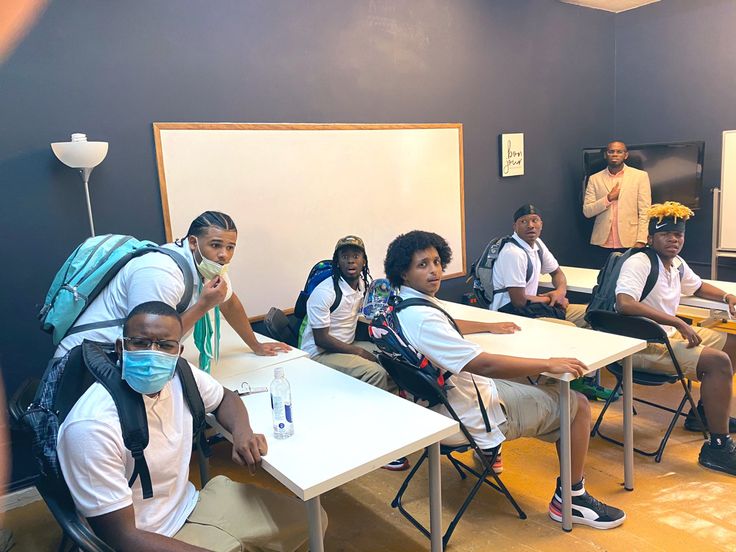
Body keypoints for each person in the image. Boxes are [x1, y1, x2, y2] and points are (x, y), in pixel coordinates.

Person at [384, 230, 626, 529]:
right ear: (404, 272)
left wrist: (489, 325)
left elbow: (447, 325)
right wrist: (548, 363)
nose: (434, 270)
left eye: (436, 261)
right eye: (422, 264)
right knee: (576, 403)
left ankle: (489, 456)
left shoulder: (402, 304)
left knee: (525, 383)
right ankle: (571, 499)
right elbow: (482, 363)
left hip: (433, 405)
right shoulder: (424, 318)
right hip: (469, 415)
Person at [57, 301, 321, 551]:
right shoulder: (91, 426)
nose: (153, 353)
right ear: (120, 347)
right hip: (144, 536)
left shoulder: (180, 375)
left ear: (178, 351)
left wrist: (242, 432)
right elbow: (123, 537)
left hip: (188, 505)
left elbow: (225, 398)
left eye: (165, 345)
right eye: (140, 343)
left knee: (313, 521)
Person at [54, 211, 289, 371]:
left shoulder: (208, 265)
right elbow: (153, 339)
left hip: (130, 356)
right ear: (193, 243)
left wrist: (255, 345)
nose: (224, 255)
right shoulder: (160, 272)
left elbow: (229, 303)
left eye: (230, 247)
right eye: (216, 245)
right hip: (89, 359)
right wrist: (203, 305)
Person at [615, 202, 736, 476]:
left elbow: (699, 286)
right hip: (643, 342)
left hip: (666, 335)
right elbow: (624, 303)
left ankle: (703, 415)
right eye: (666, 234)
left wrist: (726, 296)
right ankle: (717, 448)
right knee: (718, 362)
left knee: (732, 346)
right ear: (650, 238)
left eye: (678, 235)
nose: (674, 239)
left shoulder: (676, 264)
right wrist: (677, 321)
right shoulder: (639, 261)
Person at [299, 236, 407, 470]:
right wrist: (358, 351)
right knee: (375, 373)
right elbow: (322, 339)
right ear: (337, 261)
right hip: (317, 355)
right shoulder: (325, 292)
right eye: (345, 256)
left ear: (364, 260)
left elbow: (367, 315)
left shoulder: (362, 287)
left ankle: (388, 421)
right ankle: (380, 446)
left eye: (355, 256)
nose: (350, 261)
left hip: (344, 345)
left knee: (393, 359)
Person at [489, 204, 586, 327]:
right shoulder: (513, 253)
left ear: (541, 224)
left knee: (588, 314)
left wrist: (560, 293)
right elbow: (519, 301)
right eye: (523, 221)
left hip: (532, 308)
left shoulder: (537, 244)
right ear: (515, 227)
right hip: (509, 314)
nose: (530, 225)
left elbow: (557, 273)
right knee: (568, 328)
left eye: (535, 220)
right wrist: (550, 299)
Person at [583, 141, 651, 258]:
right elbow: (587, 211)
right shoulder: (595, 179)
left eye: (619, 152)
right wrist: (608, 198)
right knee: (603, 275)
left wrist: (641, 239)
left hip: (630, 241)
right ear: (605, 155)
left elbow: (645, 211)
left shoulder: (640, 176)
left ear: (626, 155)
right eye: (611, 151)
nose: (615, 154)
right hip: (602, 242)